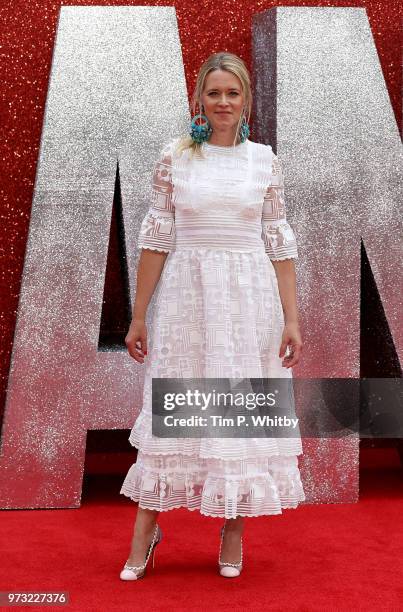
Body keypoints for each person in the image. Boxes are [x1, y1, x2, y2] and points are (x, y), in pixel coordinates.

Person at [119, 51, 305, 580]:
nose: (223, 102)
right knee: (177, 408)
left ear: (246, 100)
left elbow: (278, 243)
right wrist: (138, 317)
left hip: (251, 301)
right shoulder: (175, 158)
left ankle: (232, 530)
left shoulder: (265, 160)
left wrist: (291, 319)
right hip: (187, 300)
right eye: (214, 93)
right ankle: (146, 533)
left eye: (233, 93)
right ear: (199, 99)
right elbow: (156, 241)